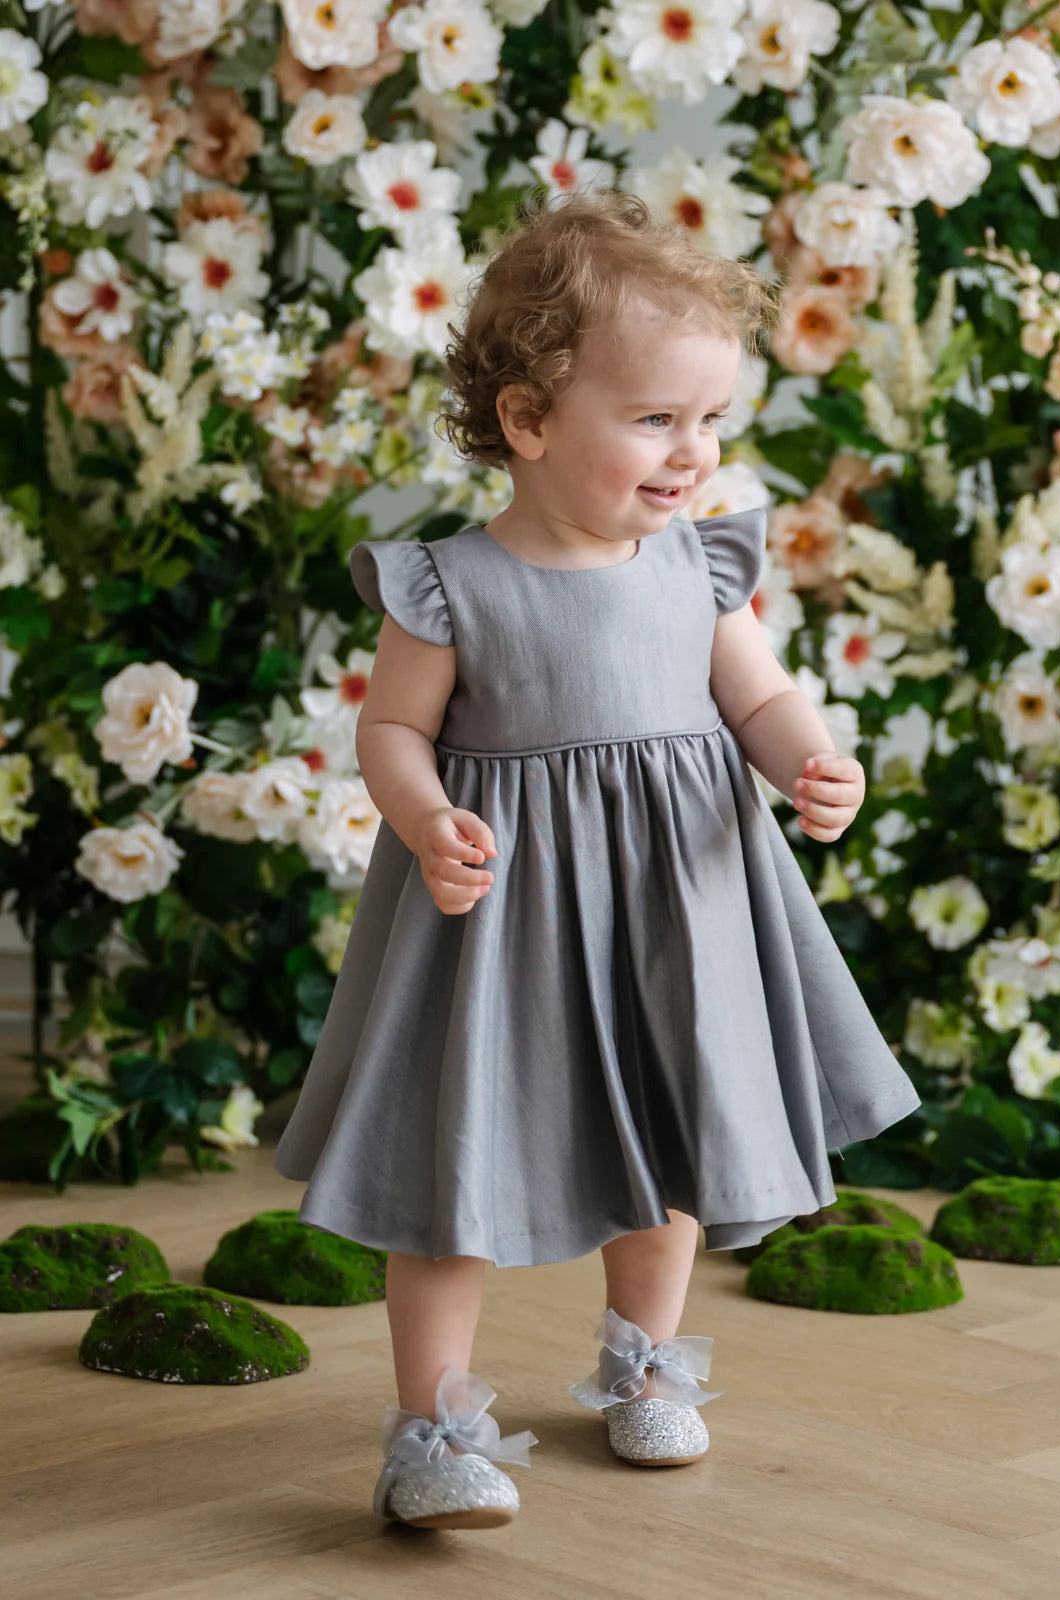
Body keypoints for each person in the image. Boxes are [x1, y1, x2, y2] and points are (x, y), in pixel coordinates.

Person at [273, 187, 922, 1530]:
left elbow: (757, 695)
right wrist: (426, 819)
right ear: (528, 420)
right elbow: (390, 731)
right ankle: (433, 1428)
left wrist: (811, 757)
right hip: (500, 923)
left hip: (679, 908)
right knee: (452, 1168)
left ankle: (646, 1364)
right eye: (655, 419)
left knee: (673, 1130)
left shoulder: (697, 569)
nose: (694, 452)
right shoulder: (451, 586)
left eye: (711, 419)